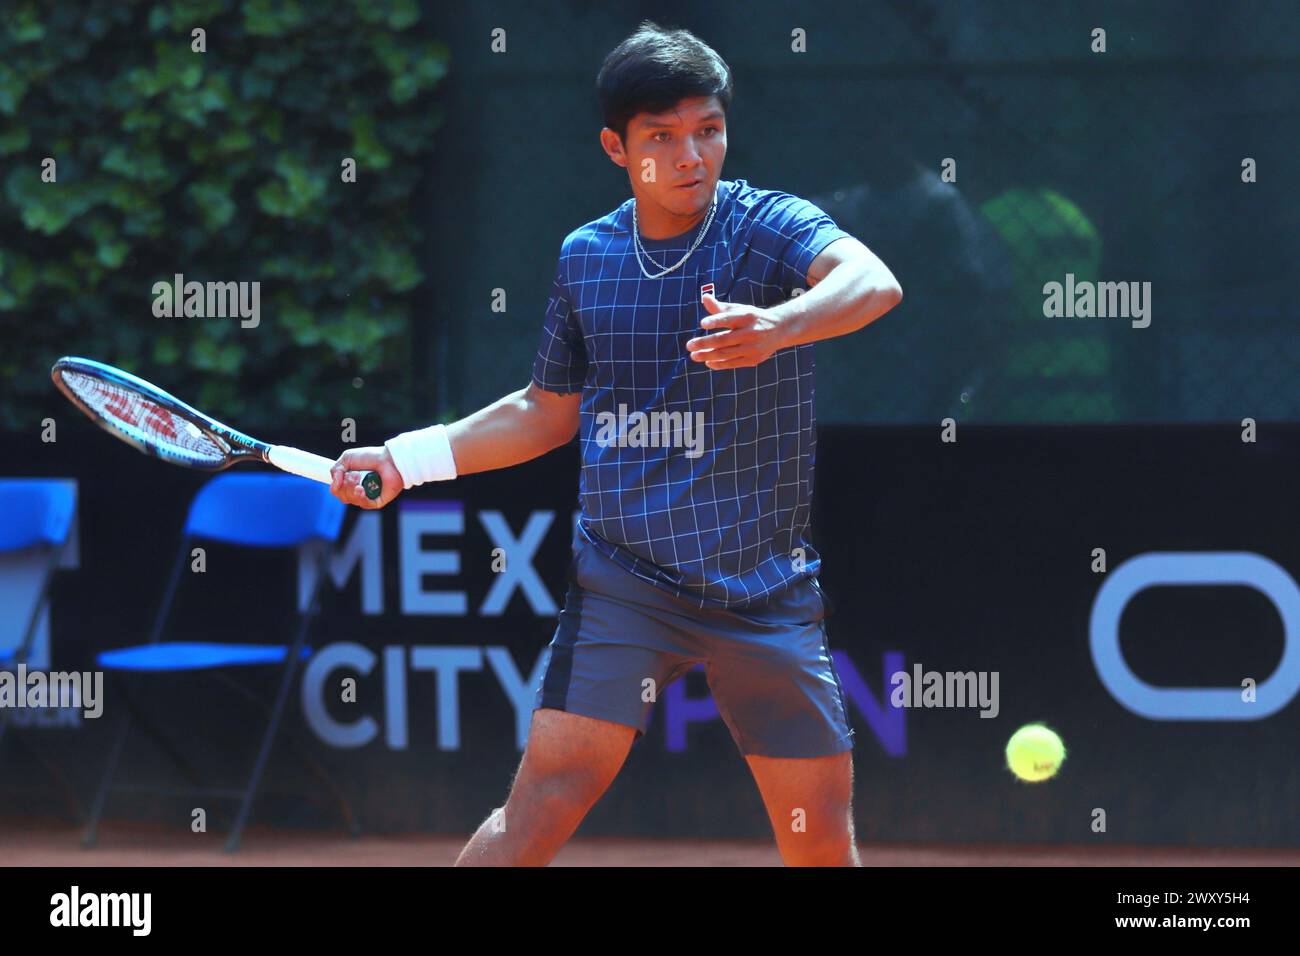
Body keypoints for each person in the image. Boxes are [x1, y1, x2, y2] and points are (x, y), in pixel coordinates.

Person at [331, 21, 902, 867]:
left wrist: (780, 326)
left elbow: (873, 282)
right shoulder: (587, 258)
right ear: (615, 146)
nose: (690, 156)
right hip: (626, 584)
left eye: (707, 130)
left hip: (764, 585)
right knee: (536, 812)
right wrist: (405, 460)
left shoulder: (771, 225)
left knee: (817, 846)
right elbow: (544, 411)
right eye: (661, 138)